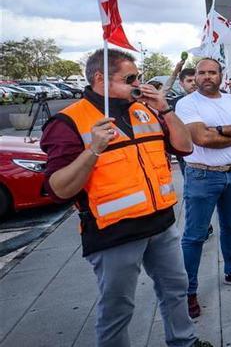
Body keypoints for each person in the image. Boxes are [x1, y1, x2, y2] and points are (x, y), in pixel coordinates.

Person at [40, 49, 210, 346]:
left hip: (161, 223)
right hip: (114, 232)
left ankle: (185, 341)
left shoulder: (145, 110)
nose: (138, 84)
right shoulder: (69, 122)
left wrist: (165, 110)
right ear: (100, 79)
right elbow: (59, 189)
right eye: (130, 78)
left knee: (176, 288)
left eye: (139, 77)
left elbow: (185, 148)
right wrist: (93, 149)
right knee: (118, 308)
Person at [176, 58, 231, 318]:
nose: (206, 77)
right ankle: (188, 291)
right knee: (194, 236)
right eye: (201, 73)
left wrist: (221, 130)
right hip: (202, 176)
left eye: (212, 72)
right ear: (195, 76)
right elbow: (202, 138)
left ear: (221, 75)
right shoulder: (186, 103)